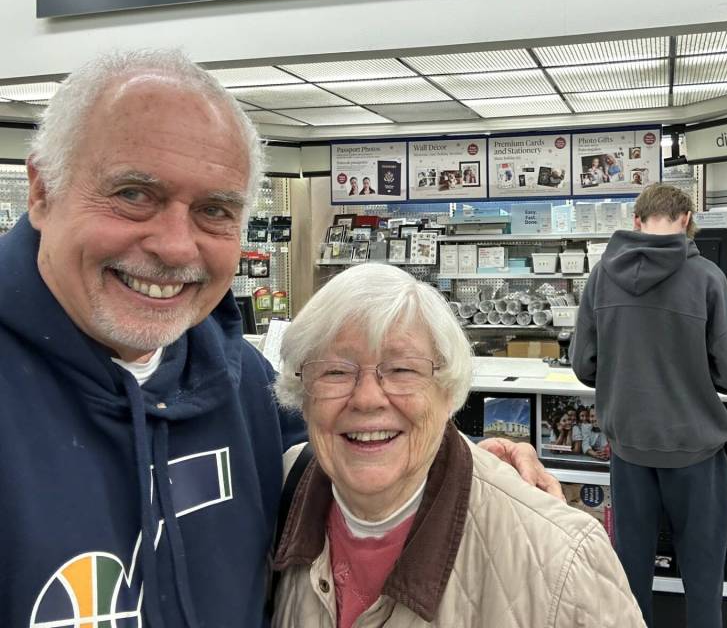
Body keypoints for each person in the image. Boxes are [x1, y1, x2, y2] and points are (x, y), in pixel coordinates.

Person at [0, 49, 558, 628]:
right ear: (41, 192)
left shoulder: (240, 382)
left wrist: (469, 463)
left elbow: (348, 444)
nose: (173, 247)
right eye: (133, 194)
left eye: (215, 210)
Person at [271, 263, 645, 627]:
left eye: (402, 369)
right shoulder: (277, 495)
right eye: (336, 371)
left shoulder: (564, 562)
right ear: (301, 392)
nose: (367, 399)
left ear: (448, 392)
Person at [570, 183, 727, 628]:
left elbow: (583, 364)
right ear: (686, 219)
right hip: (695, 449)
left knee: (630, 574)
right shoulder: (708, 277)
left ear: (636, 220)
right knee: (703, 578)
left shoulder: (601, 275)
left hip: (629, 447)